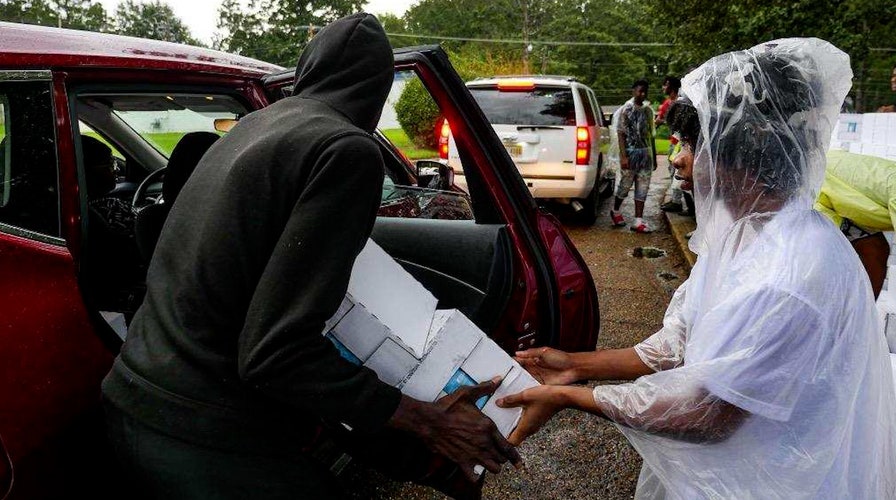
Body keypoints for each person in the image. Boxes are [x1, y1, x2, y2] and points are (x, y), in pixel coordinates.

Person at [101, 13, 519, 500]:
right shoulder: (345, 150)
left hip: (130, 394)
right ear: (379, 93)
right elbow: (274, 354)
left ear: (307, 71)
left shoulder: (252, 125)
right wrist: (425, 420)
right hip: (201, 431)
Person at [497, 38, 896, 498]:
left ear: (740, 154)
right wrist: (575, 364)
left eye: (689, 143)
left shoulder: (788, 275)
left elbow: (707, 415)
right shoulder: (746, 234)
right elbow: (679, 342)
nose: (678, 158)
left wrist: (570, 396)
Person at [815, 150, 896, 298]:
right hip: (820, 192)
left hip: (835, 188)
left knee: (875, 250)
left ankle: (863, 315)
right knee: (866, 251)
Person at [610, 79, 657, 233]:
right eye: (639, 91)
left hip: (645, 155)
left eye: (645, 91)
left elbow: (651, 135)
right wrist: (624, 157)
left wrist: (654, 157)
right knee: (625, 184)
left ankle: (638, 220)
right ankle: (616, 210)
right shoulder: (626, 110)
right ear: (633, 91)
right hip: (630, 154)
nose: (642, 94)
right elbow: (621, 134)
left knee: (643, 187)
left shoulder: (648, 111)